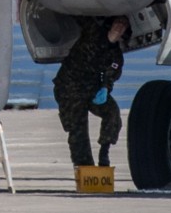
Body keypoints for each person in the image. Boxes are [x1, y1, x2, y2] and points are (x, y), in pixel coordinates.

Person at [53, 16, 126, 169]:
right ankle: (85, 170)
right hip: (69, 88)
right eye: (117, 24)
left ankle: (104, 153)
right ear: (110, 26)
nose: (119, 28)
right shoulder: (93, 32)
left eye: (123, 26)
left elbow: (110, 75)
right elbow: (79, 14)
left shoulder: (115, 55)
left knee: (112, 113)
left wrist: (105, 88)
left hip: (92, 89)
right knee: (78, 131)